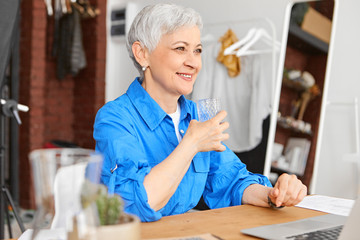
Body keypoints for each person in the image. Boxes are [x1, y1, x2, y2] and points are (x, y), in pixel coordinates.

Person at [93, 3, 307, 222]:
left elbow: (231, 179)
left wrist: (274, 195)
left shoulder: (197, 114)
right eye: (180, 48)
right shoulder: (114, 119)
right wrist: (191, 144)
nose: (194, 62)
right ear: (142, 54)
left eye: (197, 50)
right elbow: (133, 206)